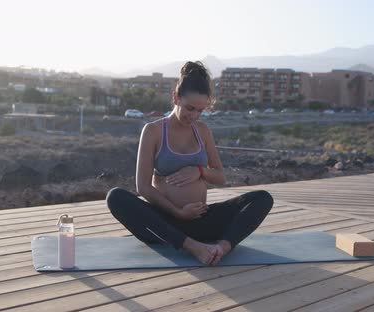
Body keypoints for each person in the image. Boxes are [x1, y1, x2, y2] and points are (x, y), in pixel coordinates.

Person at [106, 61, 273, 265]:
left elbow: (220, 177)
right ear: (176, 97)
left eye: (200, 111)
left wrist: (200, 171)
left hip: (202, 220)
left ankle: (220, 248)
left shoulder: (203, 131)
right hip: (165, 224)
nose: (193, 116)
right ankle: (193, 247)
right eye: (190, 108)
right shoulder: (153, 131)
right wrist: (178, 213)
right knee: (115, 197)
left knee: (262, 198)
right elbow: (143, 187)